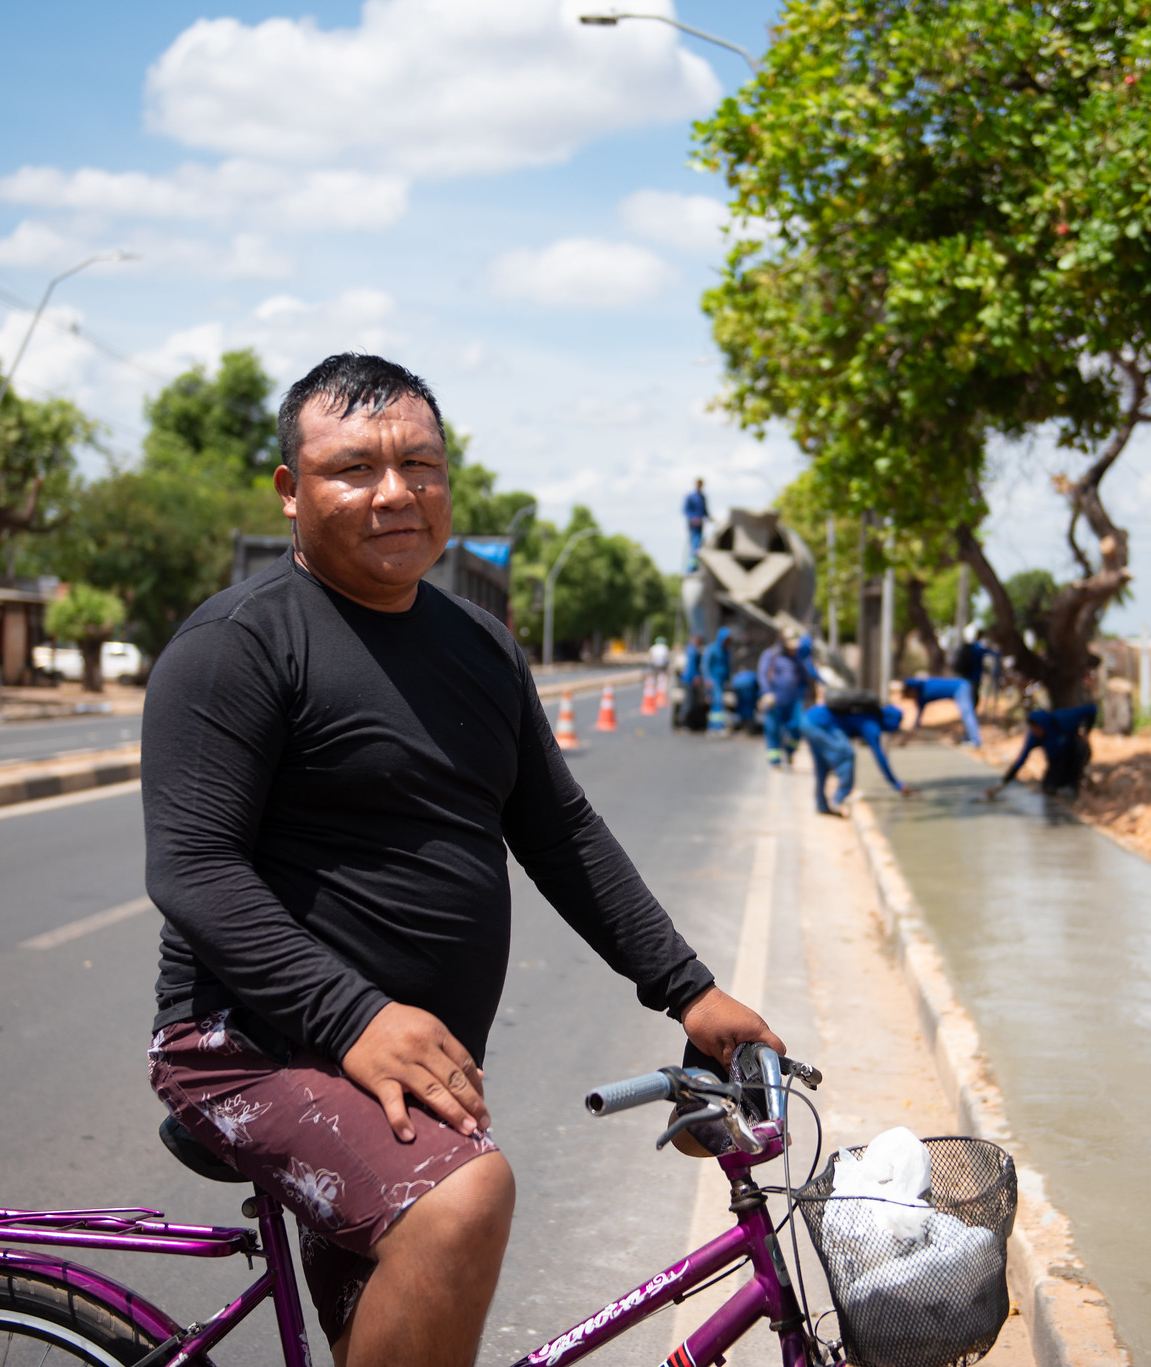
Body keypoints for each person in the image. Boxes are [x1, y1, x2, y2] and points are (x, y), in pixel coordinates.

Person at [142, 353, 783, 1367]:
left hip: (404, 1072)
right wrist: (354, 1016)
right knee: (463, 1197)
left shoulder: (479, 645)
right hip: (253, 1047)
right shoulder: (238, 644)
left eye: (420, 465)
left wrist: (688, 989)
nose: (396, 492)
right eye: (354, 468)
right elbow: (194, 869)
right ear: (289, 490)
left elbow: (560, 832)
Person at [800, 695, 911, 815]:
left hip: (808, 719)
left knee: (822, 766)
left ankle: (822, 805)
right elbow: (879, 755)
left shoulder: (867, 716)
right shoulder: (871, 724)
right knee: (848, 755)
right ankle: (838, 800)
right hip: (821, 724)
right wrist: (896, 784)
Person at [986, 702, 1098, 800]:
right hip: (1056, 760)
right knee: (1048, 787)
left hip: (1073, 753)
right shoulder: (1034, 738)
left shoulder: (1062, 719)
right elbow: (1021, 760)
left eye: (1037, 728)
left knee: (1080, 749)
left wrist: (1087, 732)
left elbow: (1092, 709)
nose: (1035, 732)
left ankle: (1074, 785)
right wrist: (1002, 784)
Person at [756, 628, 810, 767]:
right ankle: (775, 761)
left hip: (794, 700)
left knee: (798, 727)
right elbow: (762, 675)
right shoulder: (770, 655)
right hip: (775, 700)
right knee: (773, 730)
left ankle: (790, 750)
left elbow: (804, 677)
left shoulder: (797, 658)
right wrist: (766, 692)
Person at [899, 674, 982, 748]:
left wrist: (904, 681)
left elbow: (914, 682)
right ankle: (967, 738)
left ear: (911, 690)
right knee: (965, 714)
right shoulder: (921, 698)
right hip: (959, 687)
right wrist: (909, 734)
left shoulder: (922, 687)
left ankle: (975, 740)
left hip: (960, 686)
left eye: (909, 695)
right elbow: (918, 717)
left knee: (966, 713)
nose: (911, 698)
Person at [702, 625, 734, 734]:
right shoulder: (712, 649)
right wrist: (707, 679)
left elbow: (728, 666)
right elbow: (705, 665)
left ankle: (714, 726)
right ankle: (716, 727)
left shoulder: (726, 651)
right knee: (717, 701)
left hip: (722, 680)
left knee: (718, 703)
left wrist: (727, 679)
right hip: (713, 680)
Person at [683, 478, 709, 571]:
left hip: (700, 525)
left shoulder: (703, 497)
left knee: (699, 546)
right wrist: (693, 518)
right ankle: (691, 568)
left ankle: (696, 566)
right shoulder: (690, 496)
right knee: (694, 546)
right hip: (693, 526)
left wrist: (709, 518)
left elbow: (705, 511)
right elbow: (686, 510)